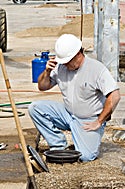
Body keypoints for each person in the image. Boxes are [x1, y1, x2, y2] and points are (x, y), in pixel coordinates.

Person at [28, 34, 120, 162]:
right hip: (67, 113)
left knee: (86, 157)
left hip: (87, 120)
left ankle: (84, 137)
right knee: (35, 108)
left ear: (78, 54)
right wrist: (47, 72)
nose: (65, 65)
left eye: (67, 61)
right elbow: (42, 87)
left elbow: (114, 96)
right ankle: (58, 144)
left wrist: (99, 121)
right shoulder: (61, 67)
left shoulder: (96, 69)